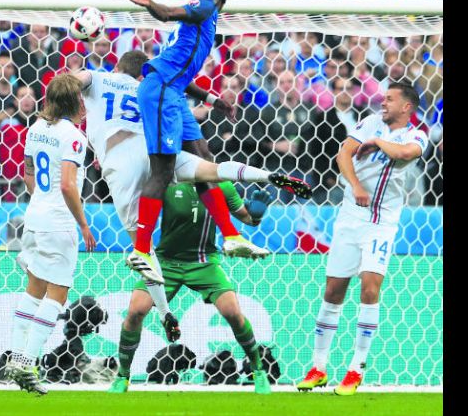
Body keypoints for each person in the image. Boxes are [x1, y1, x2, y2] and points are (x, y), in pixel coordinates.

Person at [73, 50, 310, 338]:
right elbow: (179, 81)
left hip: (120, 163)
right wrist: (210, 100)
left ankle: (165, 313)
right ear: (141, 74)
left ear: (118, 66)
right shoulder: (151, 85)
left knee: (143, 251)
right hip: (154, 153)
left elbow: (77, 80)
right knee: (213, 170)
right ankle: (267, 176)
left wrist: (70, 90)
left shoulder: (99, 77)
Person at [119, 0, 311, 281]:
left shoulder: (200, 24)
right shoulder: (207, 6)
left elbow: (180, 71)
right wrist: (151, 3)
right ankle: (141, 250)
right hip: (161, 91)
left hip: (174, 91)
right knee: (163, 171)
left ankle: (231, 234)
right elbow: (169, 13)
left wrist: (211, 98)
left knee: (205, 159)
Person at [297, 82, 429, 396]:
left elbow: (405, 153)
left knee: (370, 288)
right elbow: (344, 154)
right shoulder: (368, 121)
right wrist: (355, 186)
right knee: (333, 290)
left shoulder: (416, 135)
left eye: (390, 99)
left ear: (407, 107)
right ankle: (318, 367)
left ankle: (356, 369)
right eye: (384, 97)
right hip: (350, 216)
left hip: (382, 222)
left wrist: (377, 143)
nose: (383, 102)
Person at [106, 180, 274, 394]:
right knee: (135, 311)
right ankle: (123, 376)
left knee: (233, 312)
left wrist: (257, 214)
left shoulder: (223, 186)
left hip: (204, 263)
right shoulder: (167, 183)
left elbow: (247, 218)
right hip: (166, 263)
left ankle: (258, 371)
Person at [5, 74, 97, 395]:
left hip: (34, 216)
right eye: (82, 98)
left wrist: (41, 201)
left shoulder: (35, 128)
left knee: (33, 290)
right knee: (57, 295)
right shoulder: (73, 136)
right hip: (59, 222)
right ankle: (29, 362)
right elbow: (68, 185)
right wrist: (83, 224)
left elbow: (29, 176)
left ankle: (16, 357)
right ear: (75, 102)